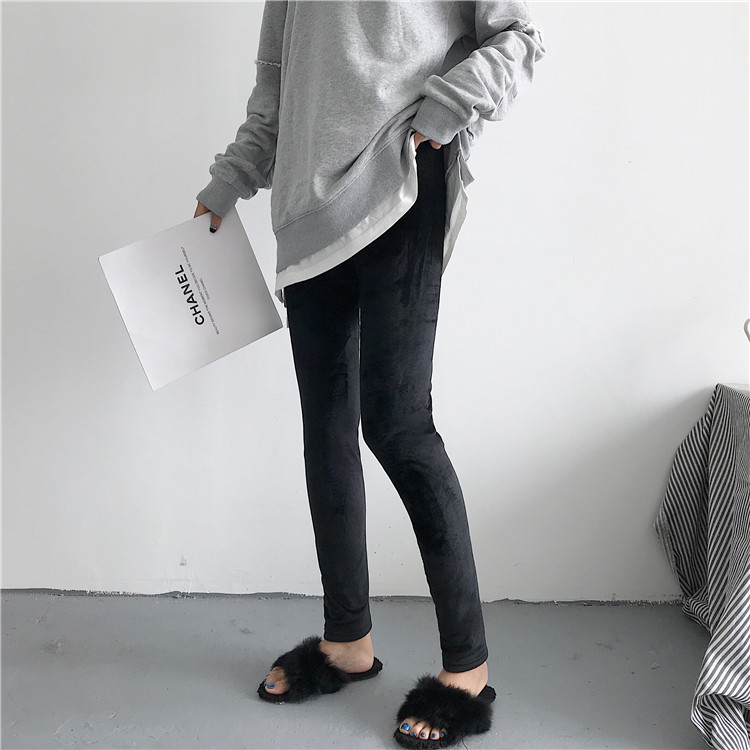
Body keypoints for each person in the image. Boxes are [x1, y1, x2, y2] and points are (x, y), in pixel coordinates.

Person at [194, 2, 545, 746]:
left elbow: (518, 36)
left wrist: (443, 112)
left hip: (402, 177)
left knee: (398, 426)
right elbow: (277, 81)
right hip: (306, 211)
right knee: (326, 431)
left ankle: (467, 670)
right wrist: (228, 182)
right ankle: (346, 642)